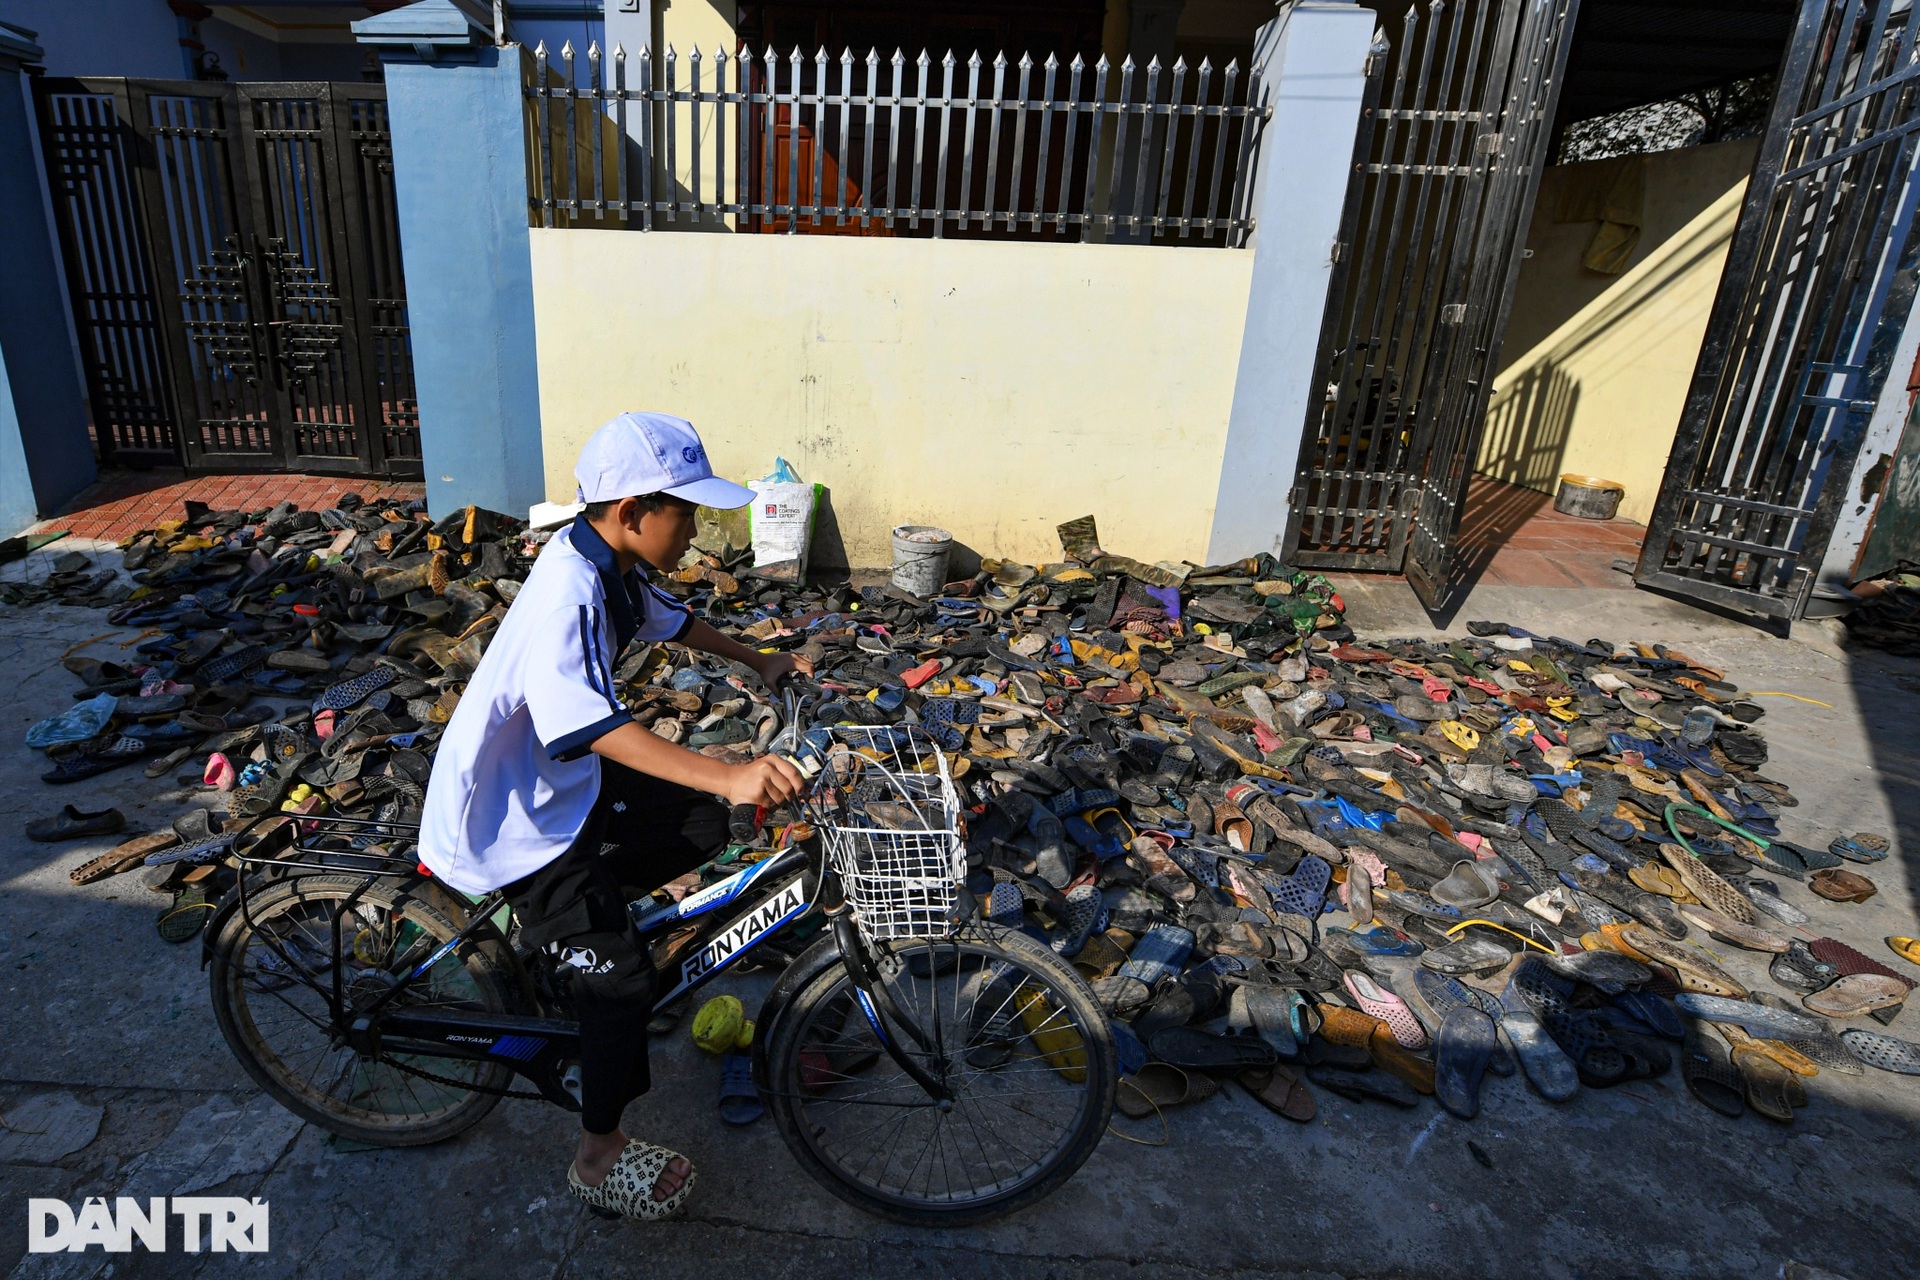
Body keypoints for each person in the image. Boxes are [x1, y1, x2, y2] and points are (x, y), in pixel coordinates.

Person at [418, 412, 811, 1221]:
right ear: (634, 512)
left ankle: (575, 943)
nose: (697, 527)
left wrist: (759, 657)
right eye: (688, 511)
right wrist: (733, 772)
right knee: (623, 982)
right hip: (511, 821)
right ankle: (596, 1155)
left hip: (557, 787)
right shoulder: (569, 591)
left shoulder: (610, 563)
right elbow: (590, 725)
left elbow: (673, 620)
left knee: (703, 826)